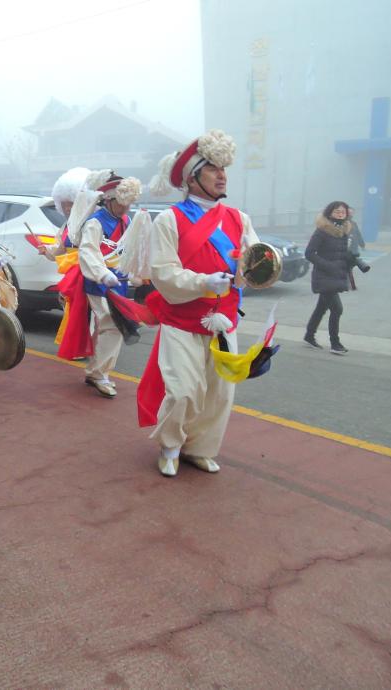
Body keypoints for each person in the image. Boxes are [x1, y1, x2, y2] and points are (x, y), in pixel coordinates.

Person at [139, 129, 261, 477]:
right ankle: (171, 445)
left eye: (224, 169)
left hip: (223, 319)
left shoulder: (240, 219)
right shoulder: (169, 220)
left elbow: (254, 262)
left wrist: (256, 269)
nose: (222, 175)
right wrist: (204, 282)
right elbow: (162, 272)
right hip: (182, 319)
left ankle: (200, 447)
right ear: (192, 178)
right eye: (213, 169)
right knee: (182, 391)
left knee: (220, 392)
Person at [55, 169, 142, 398]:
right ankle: (99, 373)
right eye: (123, 203)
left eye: (129, 204)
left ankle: (96, 370)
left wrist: (134, 272)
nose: (126, 208)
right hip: (98, 280)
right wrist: (103, 275)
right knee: (112, 325)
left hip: (118, 281)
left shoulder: (126, 220)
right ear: (109, 199)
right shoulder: (95, 222)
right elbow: (88, 253)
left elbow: (128, 251)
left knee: (108, 327)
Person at [303, 201, 369, 355]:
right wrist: (328, 265)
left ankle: (309, 335)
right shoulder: (322, 231)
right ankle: (335, 343)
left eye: (343, 211)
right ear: (330, 213)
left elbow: (341, 252)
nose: (340, 214)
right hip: (324, 276)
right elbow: (309, 253)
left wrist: (353, 260)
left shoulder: (343, 230)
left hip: (336, 275)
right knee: (337, 309)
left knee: (322, 307)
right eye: (337, 211)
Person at [38, 166, 90, 260]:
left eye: (70, 204)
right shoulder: (67, 226)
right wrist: (47, 250)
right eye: (63, 205)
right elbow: (60, 248)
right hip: (72, 271)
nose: (67, 209)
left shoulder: (92, 224)